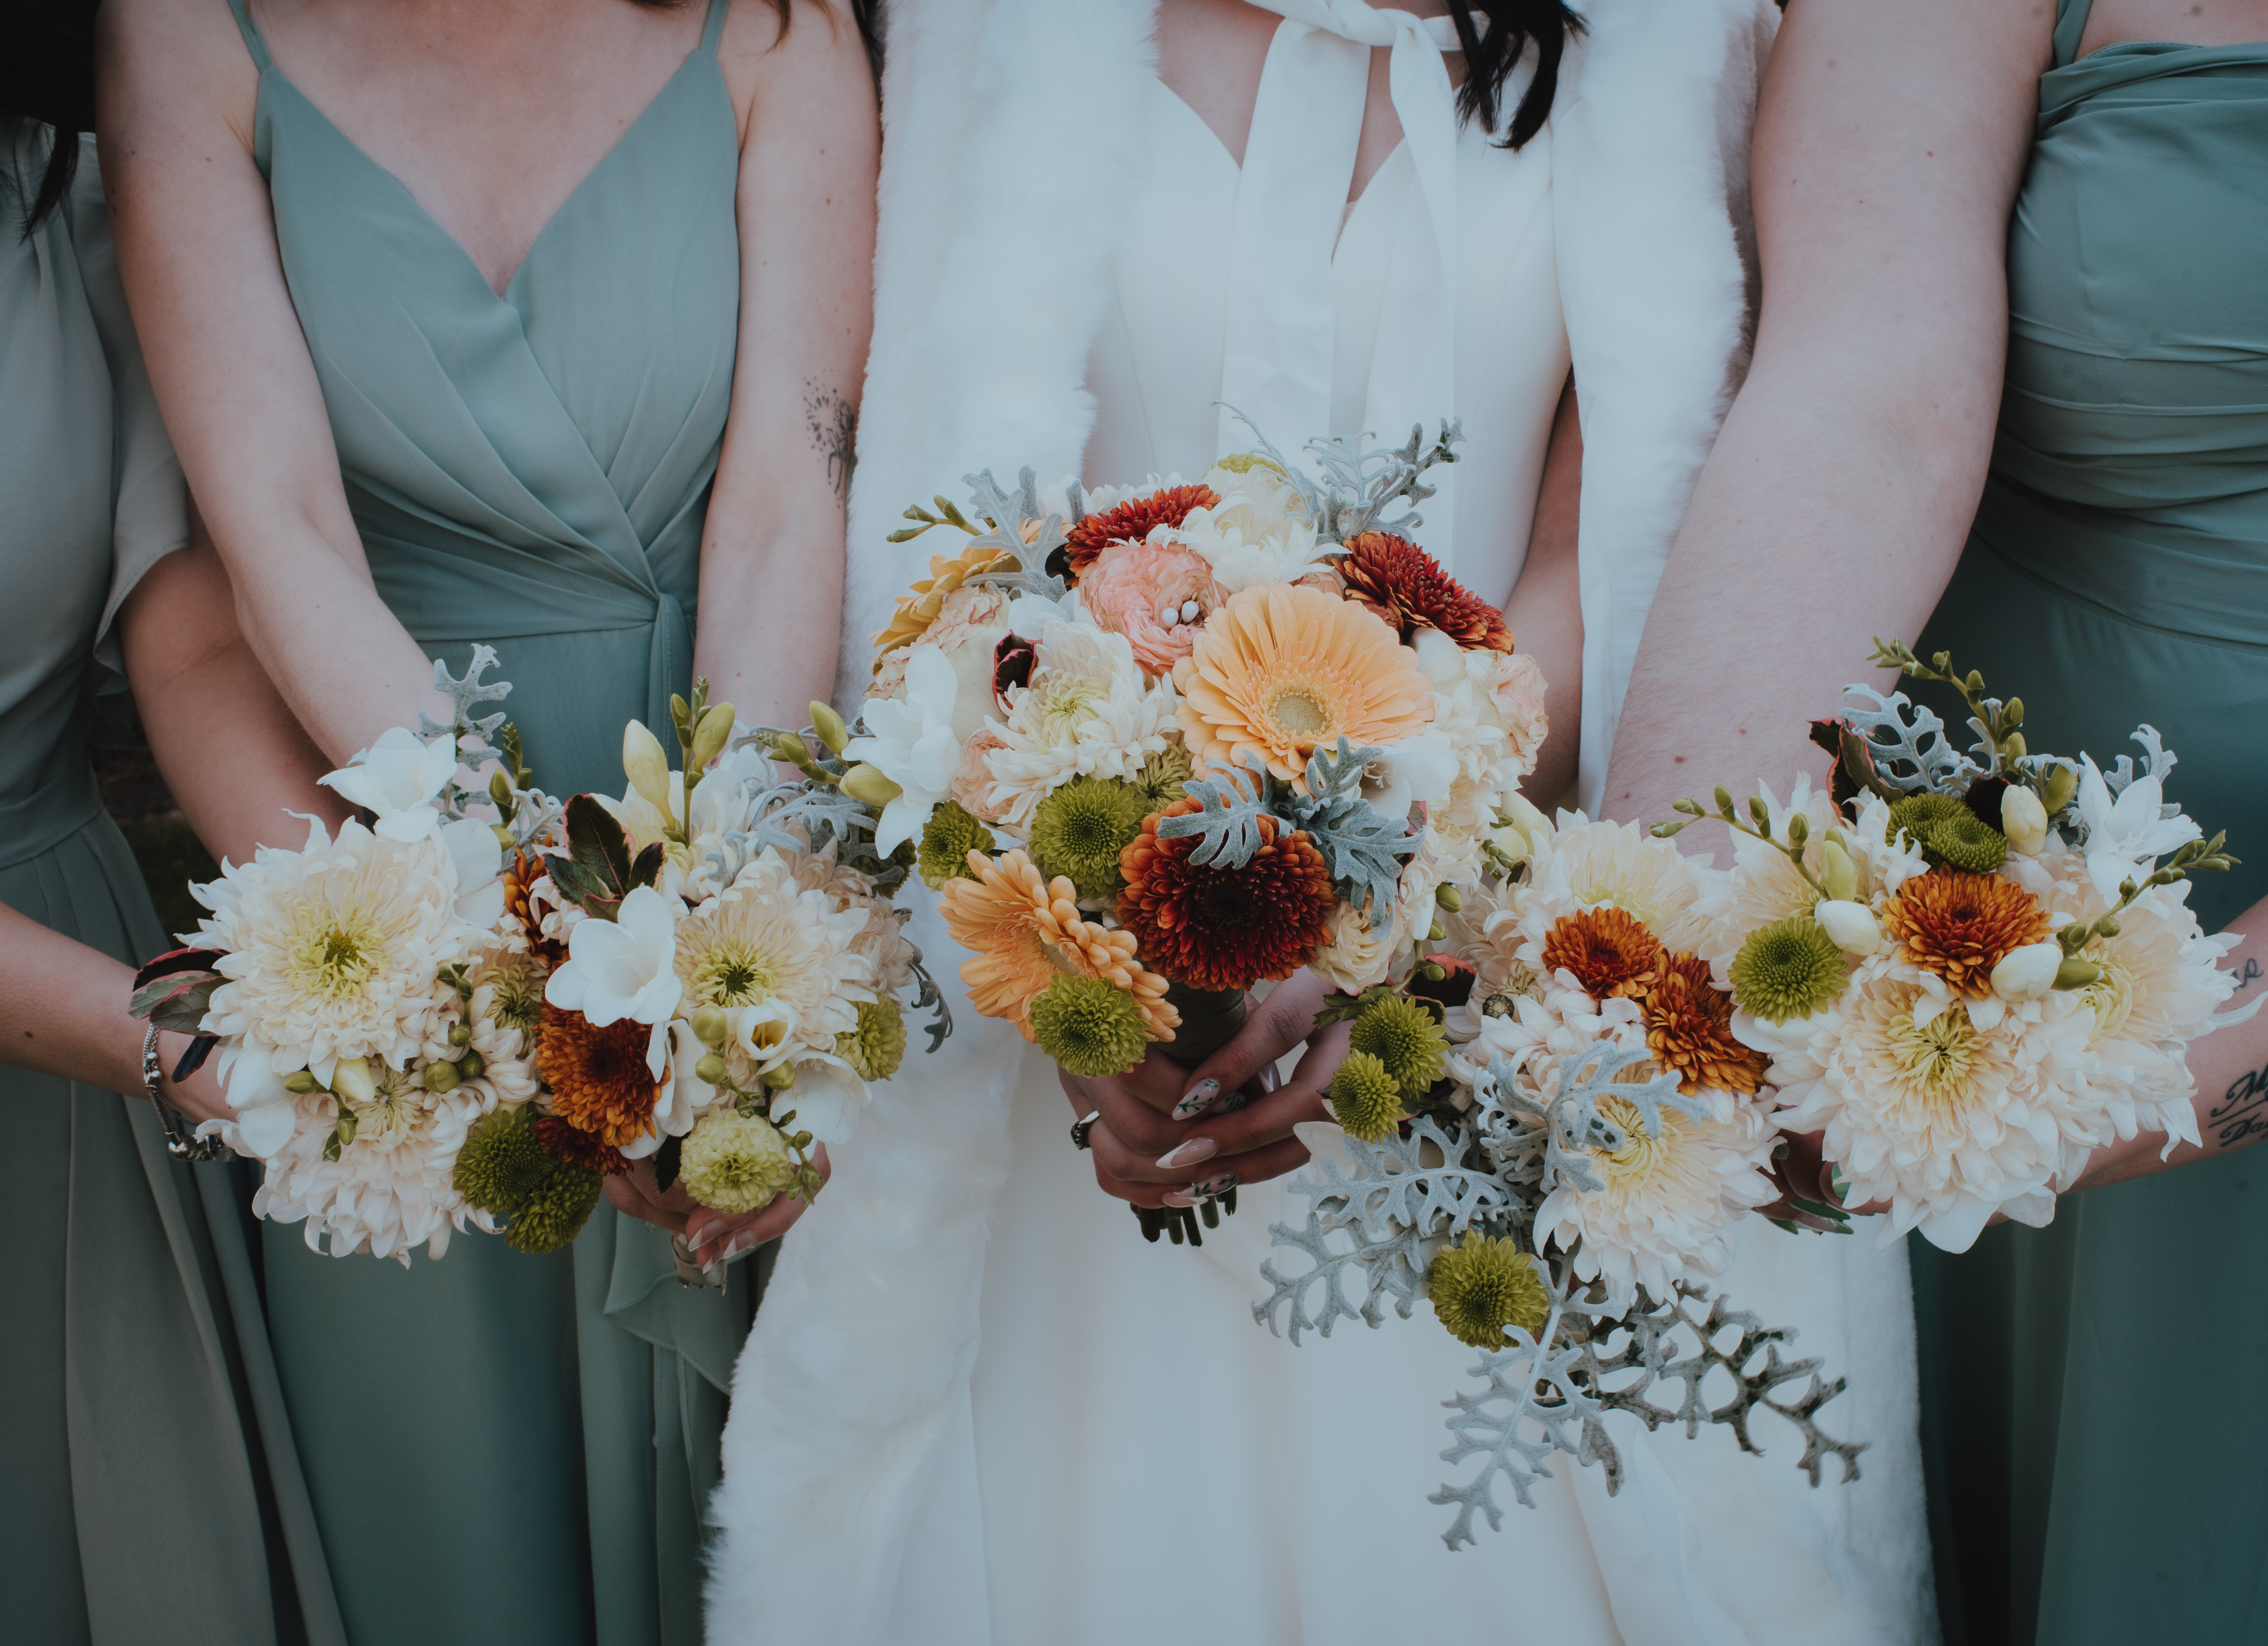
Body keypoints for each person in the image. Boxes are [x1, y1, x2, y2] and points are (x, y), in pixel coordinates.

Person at [711, 2, 1937, 1641]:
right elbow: (935, 532)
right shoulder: (996, 29)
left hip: (1483, 961)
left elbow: (1635, 526)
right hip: (1074, 1021)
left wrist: (1388, 843)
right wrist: (1069, 949)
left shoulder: (1657, 32)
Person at [1600, 0, 2268, 1639]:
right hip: (1984, 1007)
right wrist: (1665, 944)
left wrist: (2034, 1104)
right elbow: (1860, 400)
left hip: (2108, 1070)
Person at [96, 0, 879, 1638]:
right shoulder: (188, 33)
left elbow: (783, 501)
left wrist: (728, 952)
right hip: (382, 875)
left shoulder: (780, 34)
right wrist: (535, 944)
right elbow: (277, 532)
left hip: (724, 796)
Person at [1, 25, 347, 1637]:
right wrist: (192, 1051)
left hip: (75, 1029)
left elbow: (185, 607)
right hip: (104, 1029)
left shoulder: (48, 180)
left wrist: (386, 955)